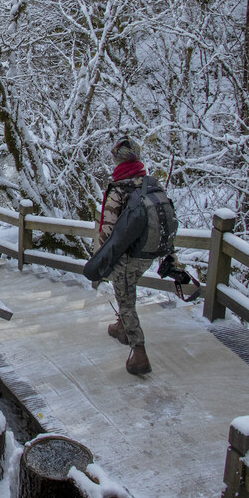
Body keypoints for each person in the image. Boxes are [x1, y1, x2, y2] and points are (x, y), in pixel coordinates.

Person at [96, 136, 154, 375]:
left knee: (126, 299)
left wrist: (101, 258)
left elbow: (107, 230)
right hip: (149, 253)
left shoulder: (119, 188)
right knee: (128, 289)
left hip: (127, 256)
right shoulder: (149, 184)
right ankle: (121, 326)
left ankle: (139, 353)